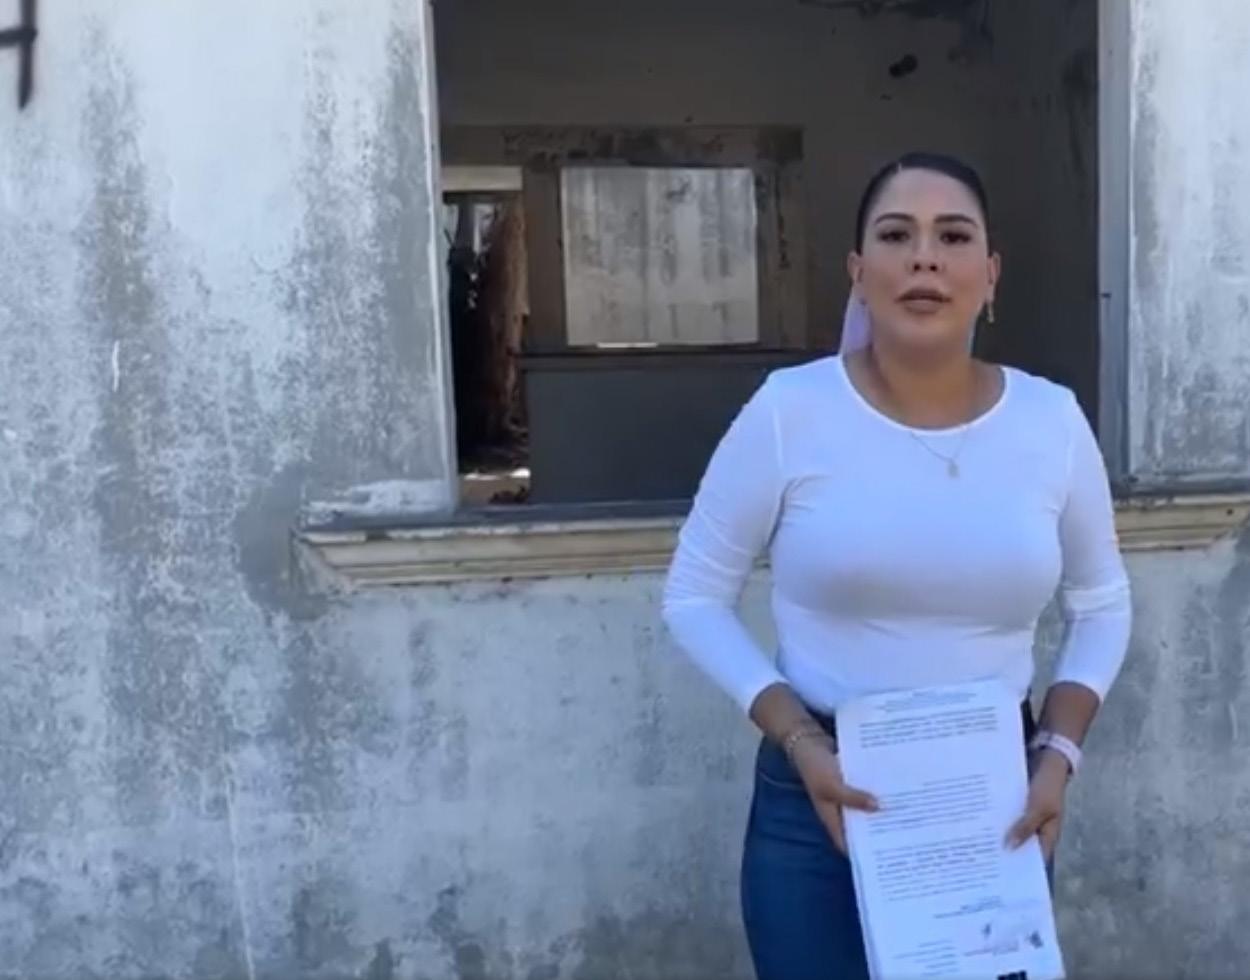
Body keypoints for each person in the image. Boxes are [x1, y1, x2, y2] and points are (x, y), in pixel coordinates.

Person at [661, 152, 1132, 980]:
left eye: (952, 236)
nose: (924, 258)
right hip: (819, 797)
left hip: (992, 802)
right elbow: (694, 596)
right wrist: (800, 739)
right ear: (858, 271)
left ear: (990, 274)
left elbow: (1102, 604)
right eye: (895, 235)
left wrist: (1059, 753)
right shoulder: (790, 411)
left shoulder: (1051, 421)